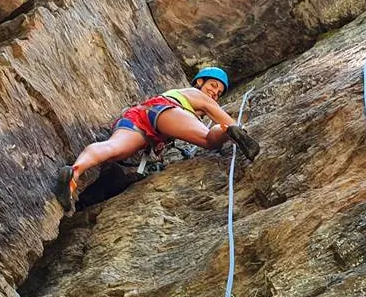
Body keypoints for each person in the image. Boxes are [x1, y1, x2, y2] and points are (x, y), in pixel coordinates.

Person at [55, 67, 260, 211]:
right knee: (209, 139)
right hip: (167, 112)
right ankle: (226, 132)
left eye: (219, 91)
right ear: (200, 81)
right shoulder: (195, 94)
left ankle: (74, 173)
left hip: (140, 115)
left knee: (113, 148)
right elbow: (218, 113)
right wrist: (238, 130)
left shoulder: (178, 93)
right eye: (213, 85)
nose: (215, 92)